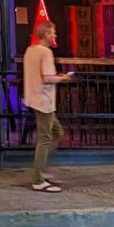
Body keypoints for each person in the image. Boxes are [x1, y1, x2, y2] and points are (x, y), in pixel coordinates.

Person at [23, 21, 76, 193]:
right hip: (44, 101)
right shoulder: (46, 53)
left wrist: (55, 76)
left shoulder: (30, 50)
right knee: (45, 138)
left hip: (34, 97)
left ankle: (42, 169)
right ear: (46, 34)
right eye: (53, 33)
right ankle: (38, 179)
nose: (55, 36)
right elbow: (46, 78)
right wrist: (63, 78)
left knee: (57, 132)